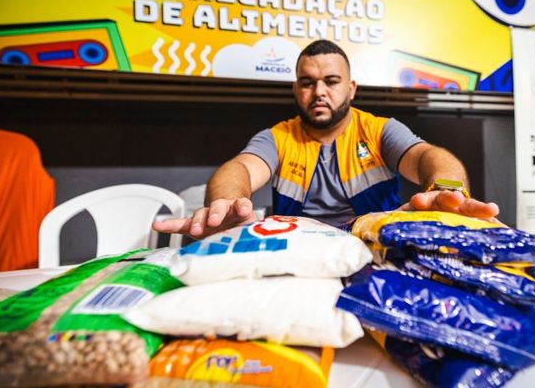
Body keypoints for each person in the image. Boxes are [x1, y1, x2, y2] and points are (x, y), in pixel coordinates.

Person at [154, 40, 499, 239]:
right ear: (296, 89)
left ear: (351, 89)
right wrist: (228, 203)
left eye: (331, 81)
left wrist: (447, 191)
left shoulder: (379, 130)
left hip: (373, 246)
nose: (319, 91)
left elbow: (427, 156)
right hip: (300, 254)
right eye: (307, 83)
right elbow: (241, 168)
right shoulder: (277, 137)